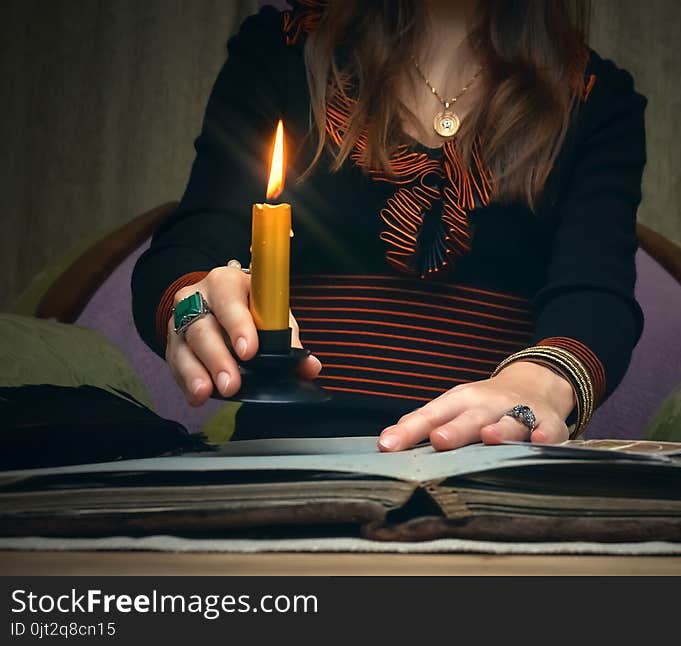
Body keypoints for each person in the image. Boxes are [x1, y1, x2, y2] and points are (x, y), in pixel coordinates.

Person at [131, 0, 647, 452]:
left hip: (487, 468)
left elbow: (595, 296)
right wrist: (193, 301)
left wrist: (539, 387)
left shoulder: (598, 99)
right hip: (287, 463)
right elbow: (187, 247)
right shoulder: (280, 51)